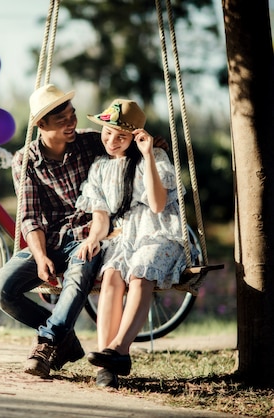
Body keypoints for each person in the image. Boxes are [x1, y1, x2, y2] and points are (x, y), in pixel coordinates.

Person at [75, 99, 194, 388]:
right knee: (112, 276)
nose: (112, 141)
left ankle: (119, 349)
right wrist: (93, 237)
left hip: (159, 231)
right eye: (107, 133)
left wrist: (149, 155)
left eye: (121, 136)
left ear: (136, 136)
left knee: (141, 272)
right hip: (126, 235)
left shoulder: (153, 157)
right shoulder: (100, 168)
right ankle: (108, 365)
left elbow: (156, 205)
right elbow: (101, 216)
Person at [0, 84, 106, 379]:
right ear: (41, 125)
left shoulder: (92, 143)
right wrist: (40, 257)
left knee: (78, 277)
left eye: (72, 115)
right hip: (50, 238)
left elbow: (127, 143)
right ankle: (64, 338)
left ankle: (48, 343)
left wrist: (151, 145)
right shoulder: (25, 161)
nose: (71, 123)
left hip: (87, 234)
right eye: (61, 120)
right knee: (1, 290)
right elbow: (29, 217)